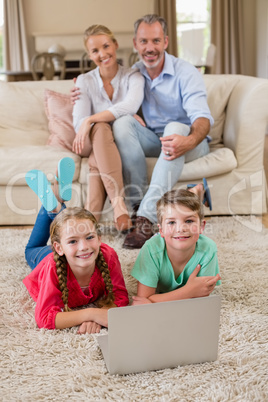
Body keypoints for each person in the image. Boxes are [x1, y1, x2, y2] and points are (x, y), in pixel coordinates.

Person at [111, 14, 214, 248]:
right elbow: (108, 101)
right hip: (155, 139)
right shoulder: (133, 74)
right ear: (136, 44)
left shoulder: (186, 72)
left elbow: (202, 118)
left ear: (166, 42)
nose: (150, 48)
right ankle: (137, 206)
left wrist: (188, 140)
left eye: (156, 41)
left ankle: (146, 219)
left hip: (191, 141)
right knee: (122, 122)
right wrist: (81, 87)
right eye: (144, 41)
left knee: (175, 127)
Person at [23, 157, 129, 334]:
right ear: (58, 247)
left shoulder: (108, 255)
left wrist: (99, 316)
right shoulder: (52, 265)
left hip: (66, 250)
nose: (84, 247)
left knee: (68, 227)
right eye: (73, 241)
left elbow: (121, 297)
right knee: (31, 250)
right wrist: (93, 314)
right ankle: (54, 208)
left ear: (99, 237)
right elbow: (45, 318)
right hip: (50, 257)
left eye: (90, 237)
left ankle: (57, 205)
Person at [72, 24, 144, 233]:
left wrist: (90, 119)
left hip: (112, 143)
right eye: (95, 50)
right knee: (101, 128)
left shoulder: (133, 76)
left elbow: (130, 105)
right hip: (86, 141)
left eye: (106, 46)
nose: (102, 54)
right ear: (89, 54)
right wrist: (92, 123)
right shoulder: (84, 81)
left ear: (115, 45)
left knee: (98, 157)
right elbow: (79, 123)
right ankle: (118, 204)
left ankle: (89, 218)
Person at [131, 188, 221, 305]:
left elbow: (202, 297)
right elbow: (142, 301)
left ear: (201, 226)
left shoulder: (208, 249)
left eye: (189, 221)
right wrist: (189, 291)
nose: (180, 229)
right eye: (171, 222)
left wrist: (155, 300)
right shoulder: (151, 249)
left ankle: (196, 191)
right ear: (161, 230)